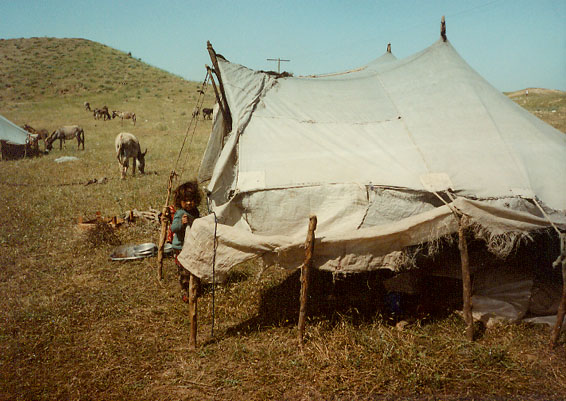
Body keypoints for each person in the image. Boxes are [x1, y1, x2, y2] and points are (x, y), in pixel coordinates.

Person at [170, 180, 201, 302]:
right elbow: (173, 228)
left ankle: (196, 288)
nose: (188, 203)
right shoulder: (180, 213)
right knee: (184, 272)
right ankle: (185, 292)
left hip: (192, 245)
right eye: (185, 201)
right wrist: (181, 224)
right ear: (180, 201)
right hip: (181, 247)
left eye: (191, 200)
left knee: (195, 267)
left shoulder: (195, 212)